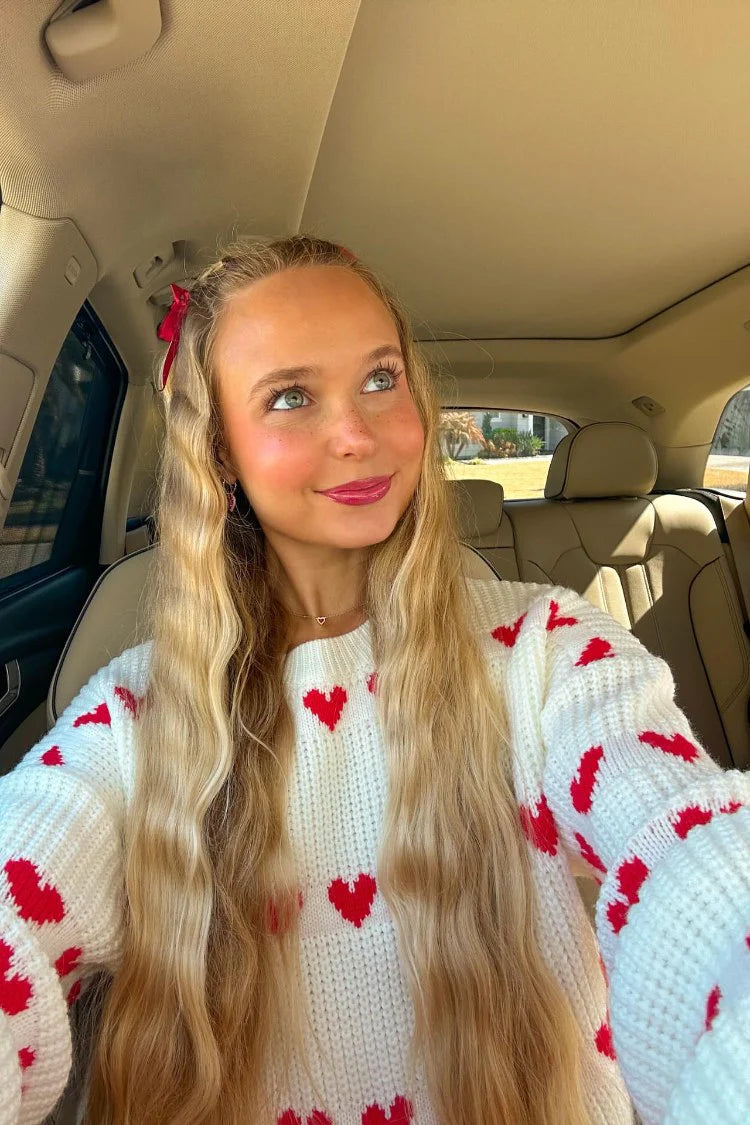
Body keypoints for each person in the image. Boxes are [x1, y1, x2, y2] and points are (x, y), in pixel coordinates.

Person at [0, 235, 749, 1125]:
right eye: (289, 396)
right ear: (222, 455)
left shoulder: (546, 649)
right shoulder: (136, 716)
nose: (356, 434)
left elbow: (685, 844)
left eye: (381, 378)